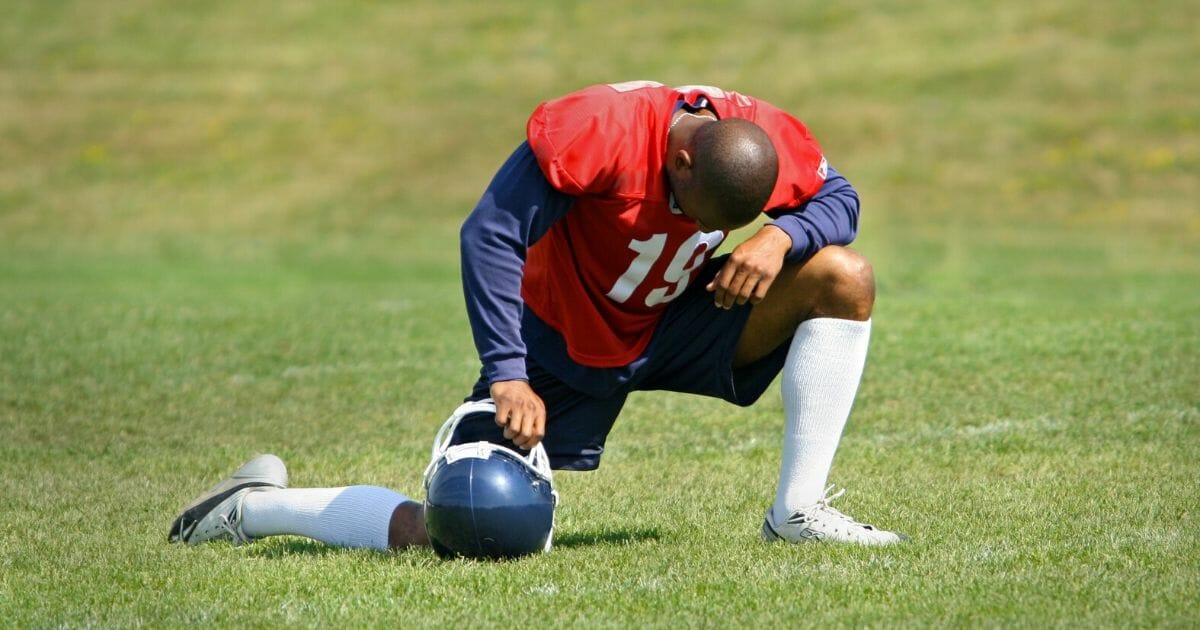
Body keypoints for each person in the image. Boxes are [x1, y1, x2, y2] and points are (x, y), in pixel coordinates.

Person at [168, 80, 906, 551]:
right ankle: (253, 508)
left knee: (844, 275)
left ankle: (797, 512)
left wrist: (781, 236)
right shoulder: (605, 130)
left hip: (679, 315)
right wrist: (507, 374)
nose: (691, 223)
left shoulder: (759, 133)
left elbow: (839, 202)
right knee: (470, 529)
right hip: (565, 340)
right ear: (679, 162)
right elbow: (488, 232)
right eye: (687, 209)